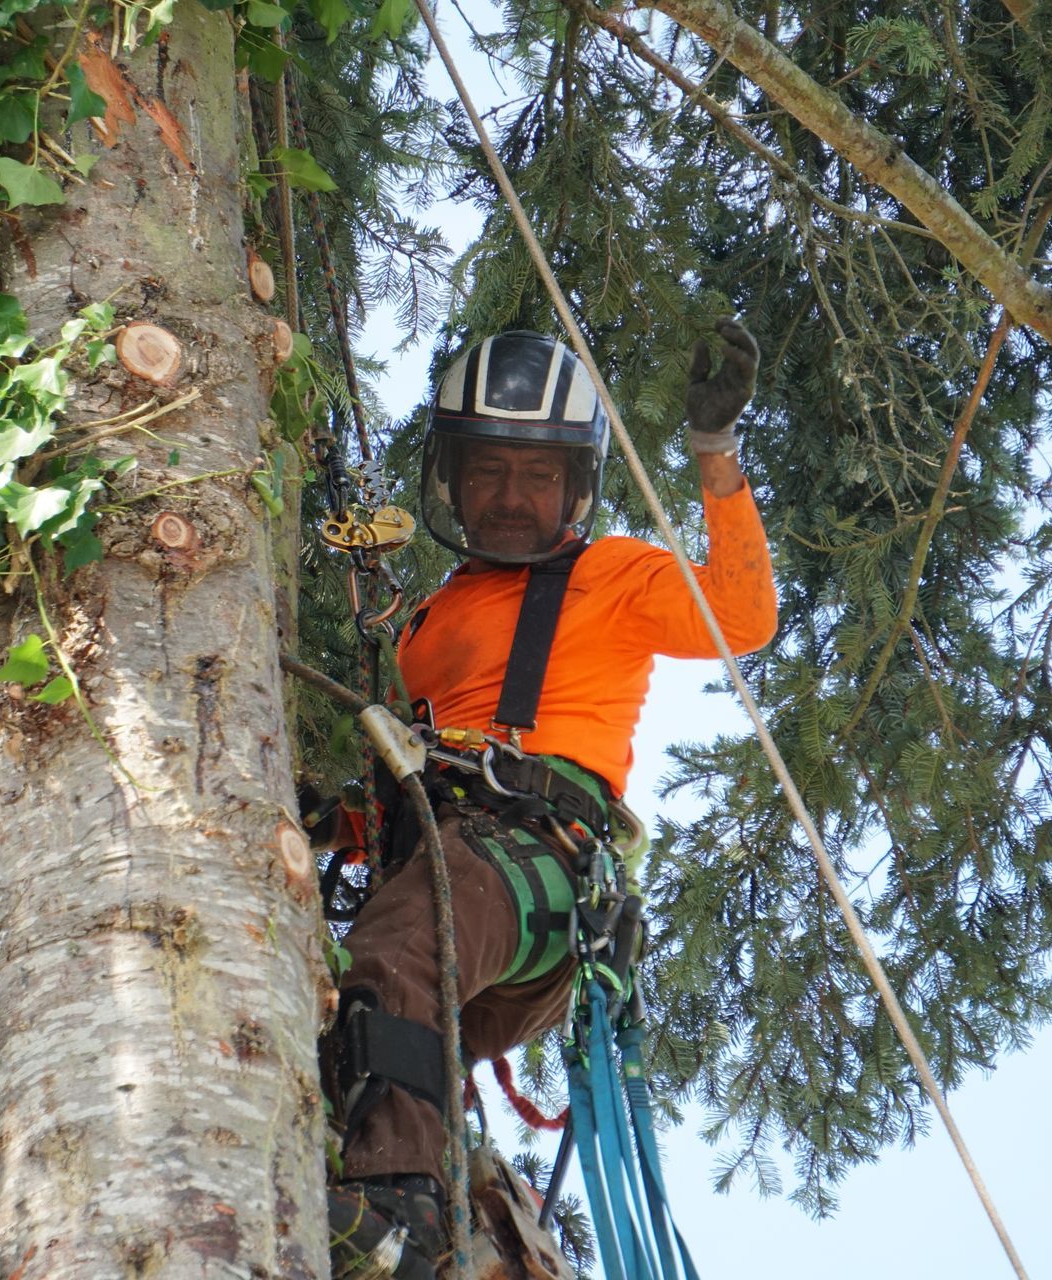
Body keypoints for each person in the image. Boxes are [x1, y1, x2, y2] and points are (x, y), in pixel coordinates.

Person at [322, 323, 779, 1279]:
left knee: (404, 948)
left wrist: (715, 456)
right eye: (488, 471)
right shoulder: (433, 620)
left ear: (574, 486)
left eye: (536, 475)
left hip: (534, 866)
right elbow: (407, 770)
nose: (512, 497)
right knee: (346, 1017)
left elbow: (740, 618)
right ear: (452, 480)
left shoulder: (611, 575)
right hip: (451, 881)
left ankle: (398, 1211)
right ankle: (400, 1193)